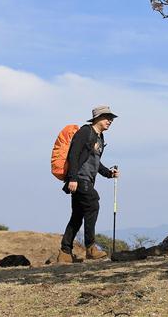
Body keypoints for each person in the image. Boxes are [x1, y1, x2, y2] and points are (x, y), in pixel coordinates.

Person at [58, 105, 120, 263]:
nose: (110, 121)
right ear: (97, 118)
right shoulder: (85, 132)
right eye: (107, 117)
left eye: (111, 118)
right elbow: (74, 154)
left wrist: (108, 173)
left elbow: (95, 161)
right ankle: (91, 248)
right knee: (93, 203)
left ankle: (64, 253)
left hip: (85, 179)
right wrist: (72, 178)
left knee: (77, 216)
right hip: (79, 179)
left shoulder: (100, 137)